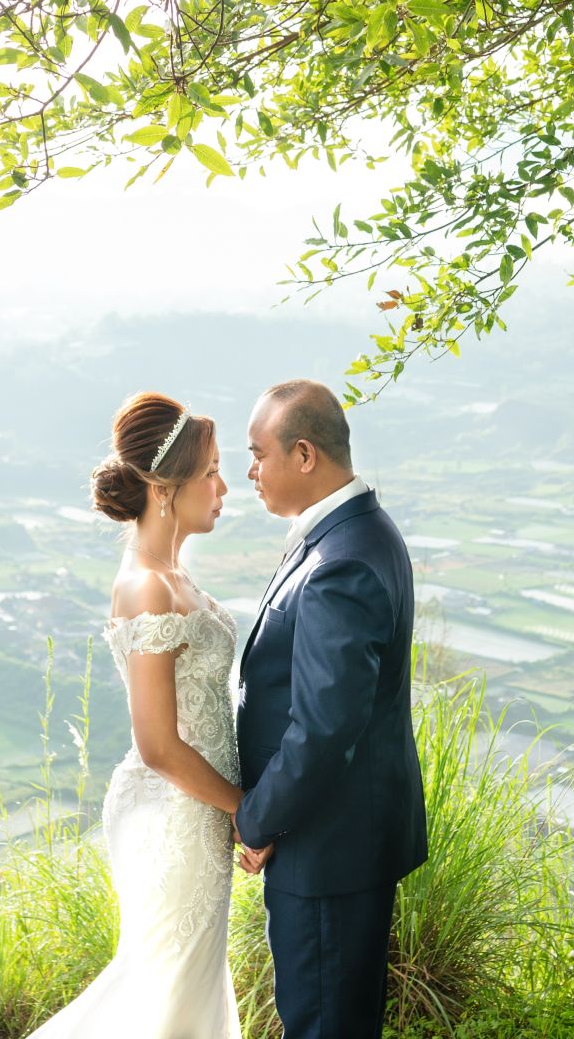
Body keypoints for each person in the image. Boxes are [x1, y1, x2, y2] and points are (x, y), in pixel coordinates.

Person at [26, 391, 242, 1039]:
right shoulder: (147, 585)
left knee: (182, 989)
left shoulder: (171, 573)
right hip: (172, 813)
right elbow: (157, 744)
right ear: (163, 488)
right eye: (210, 472)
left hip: (196, 808)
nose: (223, 487)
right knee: (162, 994)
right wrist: (244, 808)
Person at [233, 378, 429, 1039]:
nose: (251, 471)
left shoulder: (339, 561)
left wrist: (256, 819)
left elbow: (323, 728)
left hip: (327, 850)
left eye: (258, 454)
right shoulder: (355, 532)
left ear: (304, 455)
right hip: (338, 840)